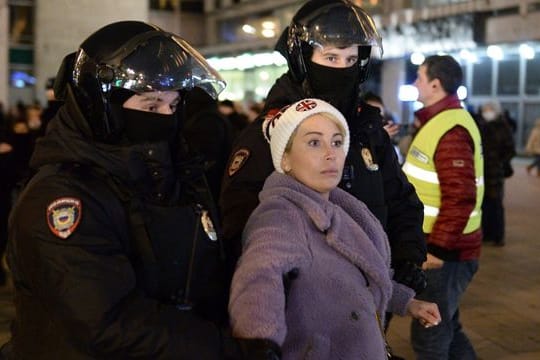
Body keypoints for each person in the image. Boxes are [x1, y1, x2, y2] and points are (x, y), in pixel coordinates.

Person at [2, 21, 246, 359]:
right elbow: (107, 322)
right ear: (104, 108)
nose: (166, 117)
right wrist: (226, 349)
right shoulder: (62, 197)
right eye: (150, 106)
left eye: (173, 106)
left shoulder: (171, 174)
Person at [220, 0, 427, 319]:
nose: (342, 68)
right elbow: (239, 221)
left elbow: (400, 199)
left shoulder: (368, 130)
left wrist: (407, 257)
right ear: (303, 60)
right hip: (303, 312)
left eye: (350, 58)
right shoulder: (271, 131)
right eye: (330, 57)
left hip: (368, 305)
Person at [229, 98, 441, 359]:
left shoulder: (340, 208)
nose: (330, 153)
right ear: (285, 158)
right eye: (314, 142)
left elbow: (359, 277)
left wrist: (406, 303)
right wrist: (260, 344)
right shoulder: (280, 215)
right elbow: (258, 277)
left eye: (337, 142)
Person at [403, 54, 485, 360]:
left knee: (430, 339)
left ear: (435, 84)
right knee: (447, 326)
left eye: (420, 78)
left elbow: (460, 196)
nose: (415, 83)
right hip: (442, 249)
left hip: (445, 254)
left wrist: (437, 249)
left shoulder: (450, 128)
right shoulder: (438, 122)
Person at [477, 101, 515, 246]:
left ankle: (498, 235)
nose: (487, 112)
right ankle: (486, 234)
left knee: (496, 204)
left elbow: (510, 149)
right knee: (483, 204)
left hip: (495, 172)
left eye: (490, 109)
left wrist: (500, 161)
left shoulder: (503, 127)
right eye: (485, 109)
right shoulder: (480, 125)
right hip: (481, 171)